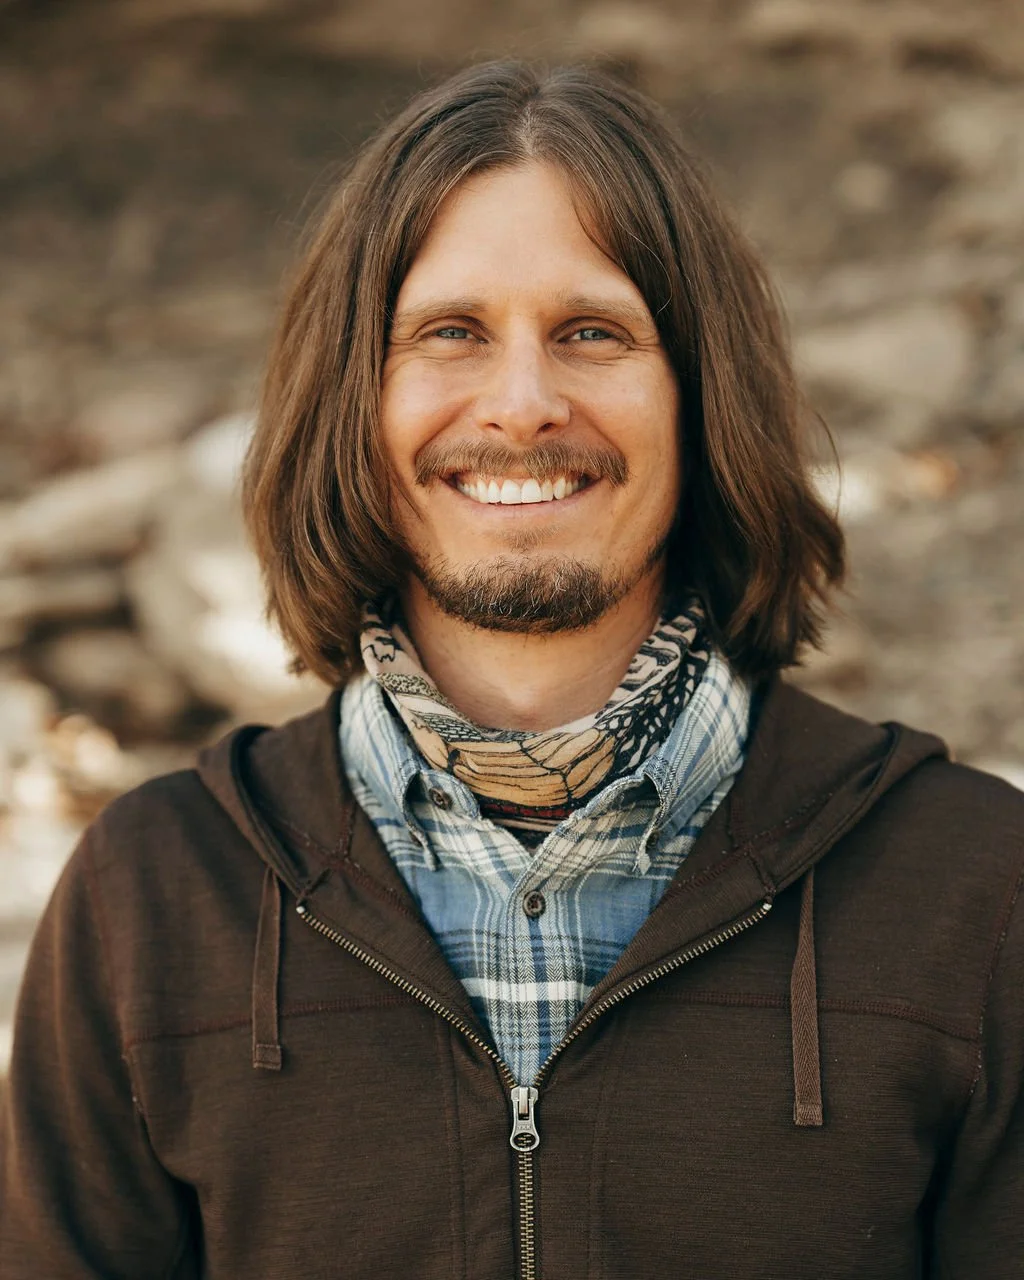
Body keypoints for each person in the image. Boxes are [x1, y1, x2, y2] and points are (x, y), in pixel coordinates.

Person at [1, 60, 1022, 1280]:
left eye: (592, 332)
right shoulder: (152, 897)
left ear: (701, 396)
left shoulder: (972, 887)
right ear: (351, 398)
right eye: (451, 333)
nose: (523, 402)